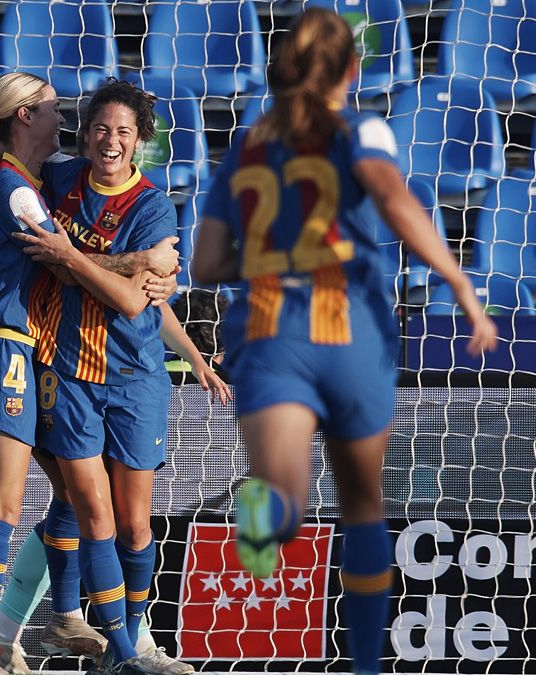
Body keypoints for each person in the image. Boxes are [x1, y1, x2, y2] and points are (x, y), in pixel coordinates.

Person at [191, 9, 497, 675]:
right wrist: (460, 284)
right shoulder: (363, 128)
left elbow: (206, 264)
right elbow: (394, 199)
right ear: (352, 72)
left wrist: (278, 256)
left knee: (284, 499)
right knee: (363, 503)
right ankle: (364, 668)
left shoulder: (246, 144)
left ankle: (262, 514)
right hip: (351, 329)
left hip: (271, 334)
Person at [0, 79, 226, 675]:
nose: (110, 141)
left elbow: (132, 302)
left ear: (140, 140)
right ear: (85, 131)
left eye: (123, 132)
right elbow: (15, 173)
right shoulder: (61, 182)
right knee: (91, 512)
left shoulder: (153, 207)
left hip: (137, 378)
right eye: (100, 129)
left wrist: (78, 258)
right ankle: (121, 652)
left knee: (134, 523)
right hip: (66, 374)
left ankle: (123, 637)